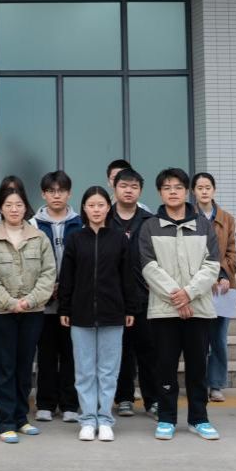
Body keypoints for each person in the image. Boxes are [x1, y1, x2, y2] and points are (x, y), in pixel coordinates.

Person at [134, 167, 221, 442]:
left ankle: (199, 418)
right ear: (160, 193)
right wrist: (177, 295)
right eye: (167, 187)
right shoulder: (149, 226)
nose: (173, 192)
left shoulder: (204, 225)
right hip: (164, 310)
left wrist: (189, 294)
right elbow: (148, 266)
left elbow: (212, 265)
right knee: (165, 366)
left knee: (197, 367)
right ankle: (167, 418)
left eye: (178, 187)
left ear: (187, 192)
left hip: (198, 309)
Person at [58, 186, 141, 442]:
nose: (96, 210)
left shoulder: (119, 239)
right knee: (84, 371)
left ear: (108, 208)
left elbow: (128, 277)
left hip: (113, 313)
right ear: (84, 208)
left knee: (108, 371)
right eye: (91, 205)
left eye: (101, 205)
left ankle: (105, 419)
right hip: (80, 314)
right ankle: (87, 419)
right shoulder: (75, 239)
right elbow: (67, 277)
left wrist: (130, 308)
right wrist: (64, 307)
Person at [0, 186, 57, 444]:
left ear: (26, 208)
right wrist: (10, 303)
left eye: (19, 205)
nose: (14, 209)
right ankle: (5, 422)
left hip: (32, 312)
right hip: (0, 313)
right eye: (9, 205)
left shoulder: (39, 237)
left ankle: (21, 418)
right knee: (4, 367)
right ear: (0, 208)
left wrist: (30, 300)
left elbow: (48, 274)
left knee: (24, 367)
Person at [33, 170, 81, 424]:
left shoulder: (80, 223)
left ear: (69, 193)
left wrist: (67, 288)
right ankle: (45, 403)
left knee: (71, 354)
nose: (56, 195)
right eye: (51, 191)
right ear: (43, 194)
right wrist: (45, 287)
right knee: (46, 355)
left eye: (61, 190)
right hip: (43, 303)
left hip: (72, 303)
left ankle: (70, 404)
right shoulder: (33, 224)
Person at [110, 167, 157, 418]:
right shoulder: (105, 217)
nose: (128, 191)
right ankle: (124, 398)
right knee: (120, 350)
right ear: (114, 188)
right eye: (124, 186)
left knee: (148, 350)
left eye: (134, 187)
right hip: (113, 296)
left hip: (145, 296)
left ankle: (153, 400)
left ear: (140, 191)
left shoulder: (150, 220)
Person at [193, 172, 236, 403]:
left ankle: (216, 384)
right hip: (197, 287)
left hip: (223, 288)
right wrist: (205, 278)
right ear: (193, 191)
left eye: (208, 187)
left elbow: (233, 252)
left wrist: (224, 275)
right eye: (200, 187)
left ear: (214, 190)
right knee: (198, 338)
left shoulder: (227, 219)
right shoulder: (188, 216)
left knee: (219, 338)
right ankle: (198, 383)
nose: (204, 191)